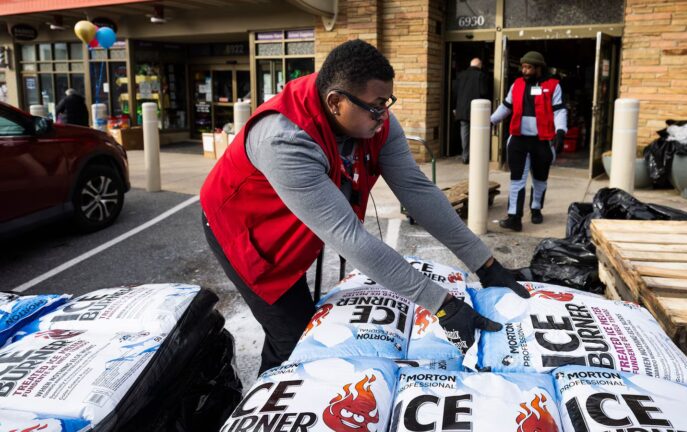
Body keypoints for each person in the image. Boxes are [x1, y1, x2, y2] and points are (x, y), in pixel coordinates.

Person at [200, 40, 530, 374]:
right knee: (298, 343)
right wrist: (441, 304)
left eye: (387, 103)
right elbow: (348, 236)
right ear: (335, 102)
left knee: (295, 330)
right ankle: (267, 414)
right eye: (376, 106)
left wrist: (485, 263)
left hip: (300, 222)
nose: (384, 116)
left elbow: (417, 191)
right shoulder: (284, 138)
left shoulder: (371, 117)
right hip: (248, 234)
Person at [491, 51, 566, 231]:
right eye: (523, 67)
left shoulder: (553, 85)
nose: (524, 71)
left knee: (540, 180)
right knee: (517, 180)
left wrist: (561, 131)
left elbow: (559, 110)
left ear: (539, 68)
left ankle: (536, 209)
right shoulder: (516, 85)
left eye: (529, 67)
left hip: (542, 141)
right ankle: (514, 217)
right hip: (519, 140)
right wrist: (491, 120)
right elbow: (506, 106)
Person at [453, 58, 489, 164]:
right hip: (478, 111)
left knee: (464, 133)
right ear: (480, 65)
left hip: (462, 109)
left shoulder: (460, 75)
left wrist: (455, 108)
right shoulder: (481, 76)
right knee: (478, 133)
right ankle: (477, 156)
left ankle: (465, 156)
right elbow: (484, 92)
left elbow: (455, 92)